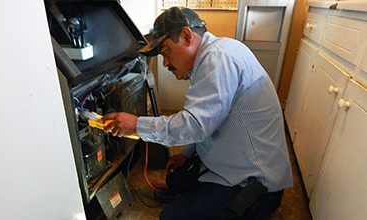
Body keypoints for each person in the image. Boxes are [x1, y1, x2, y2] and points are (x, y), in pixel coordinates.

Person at [103, 7, 293, 220]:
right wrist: (186, 155)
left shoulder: (217, 58)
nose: (165, 63)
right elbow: (208, 116)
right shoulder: (218, 52)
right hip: (233, 162)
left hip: (255, 185)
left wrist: (137, 125)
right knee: (176, 179)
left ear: (186, 35)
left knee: (172, 217)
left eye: (165, 52)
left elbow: (194, 125)